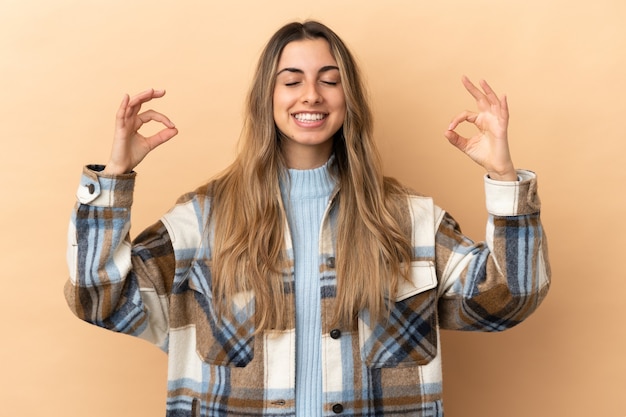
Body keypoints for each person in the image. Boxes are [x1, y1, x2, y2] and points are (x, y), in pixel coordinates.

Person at [65, 20, 550, 417]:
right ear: (267, 99)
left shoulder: (408, 220)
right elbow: (98, 299)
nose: (311, 95)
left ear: (348, 99)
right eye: (292, 80)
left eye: (330, 80)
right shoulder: (202, 220)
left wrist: (504, 177)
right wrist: (114, 179)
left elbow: (509, 299)